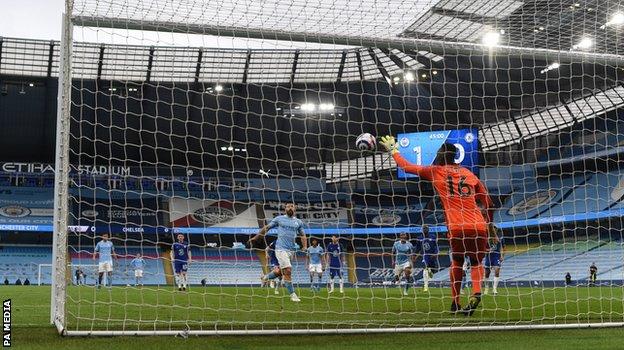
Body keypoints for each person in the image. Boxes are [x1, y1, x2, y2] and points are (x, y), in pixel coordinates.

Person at [380, 137, 494, 315]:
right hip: (479, 225)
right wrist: (490, 224)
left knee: (457, 261)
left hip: (457, 227)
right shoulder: (470, 174)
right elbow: (488, 202)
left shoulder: (435, 171)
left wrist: (394, 150)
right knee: (476, 261)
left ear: (442, 155)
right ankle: (476, 292)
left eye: (438, 152)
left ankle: (455, 302)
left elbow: (407, 167)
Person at [249, 203, 307, 302]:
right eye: (288, 206)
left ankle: (265, 277)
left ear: (295, 209)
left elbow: (303, 235)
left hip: (291, 250)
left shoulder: (298, 222)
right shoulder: (279, 219)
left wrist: (305, 246)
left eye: (292, 206)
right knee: (288, 270)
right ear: (285, 209)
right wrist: (257, 237)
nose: (290, 208)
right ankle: (293, 295)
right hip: (280, 249)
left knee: (280, 272)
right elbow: (267, 227)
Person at [415, 225, 439, 292]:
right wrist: (414, 255)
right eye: (423, 228)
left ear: (428, 230)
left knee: (432, 270)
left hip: (432, 255)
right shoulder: (419, 238)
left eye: (426, 228)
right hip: (425, 255)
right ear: (422, 230)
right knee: (425, 268)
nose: (425, 229)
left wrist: (435, 253)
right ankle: (426, 286)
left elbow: (436, 246)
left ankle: (431, 272)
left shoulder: (433, 236)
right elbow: (418, 248)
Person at [483, 223, 504, 295]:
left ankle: (494, 289)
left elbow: (502, 247)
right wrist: (487, 250)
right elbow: (482, 248)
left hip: (496, 256)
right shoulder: (486, 238)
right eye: (493, 228)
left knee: (497, 270)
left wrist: (501, 256)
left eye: (495, 228)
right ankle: (486, 288)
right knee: (487, 273)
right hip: (488, 256)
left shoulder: (500, 238)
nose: (494, 229)